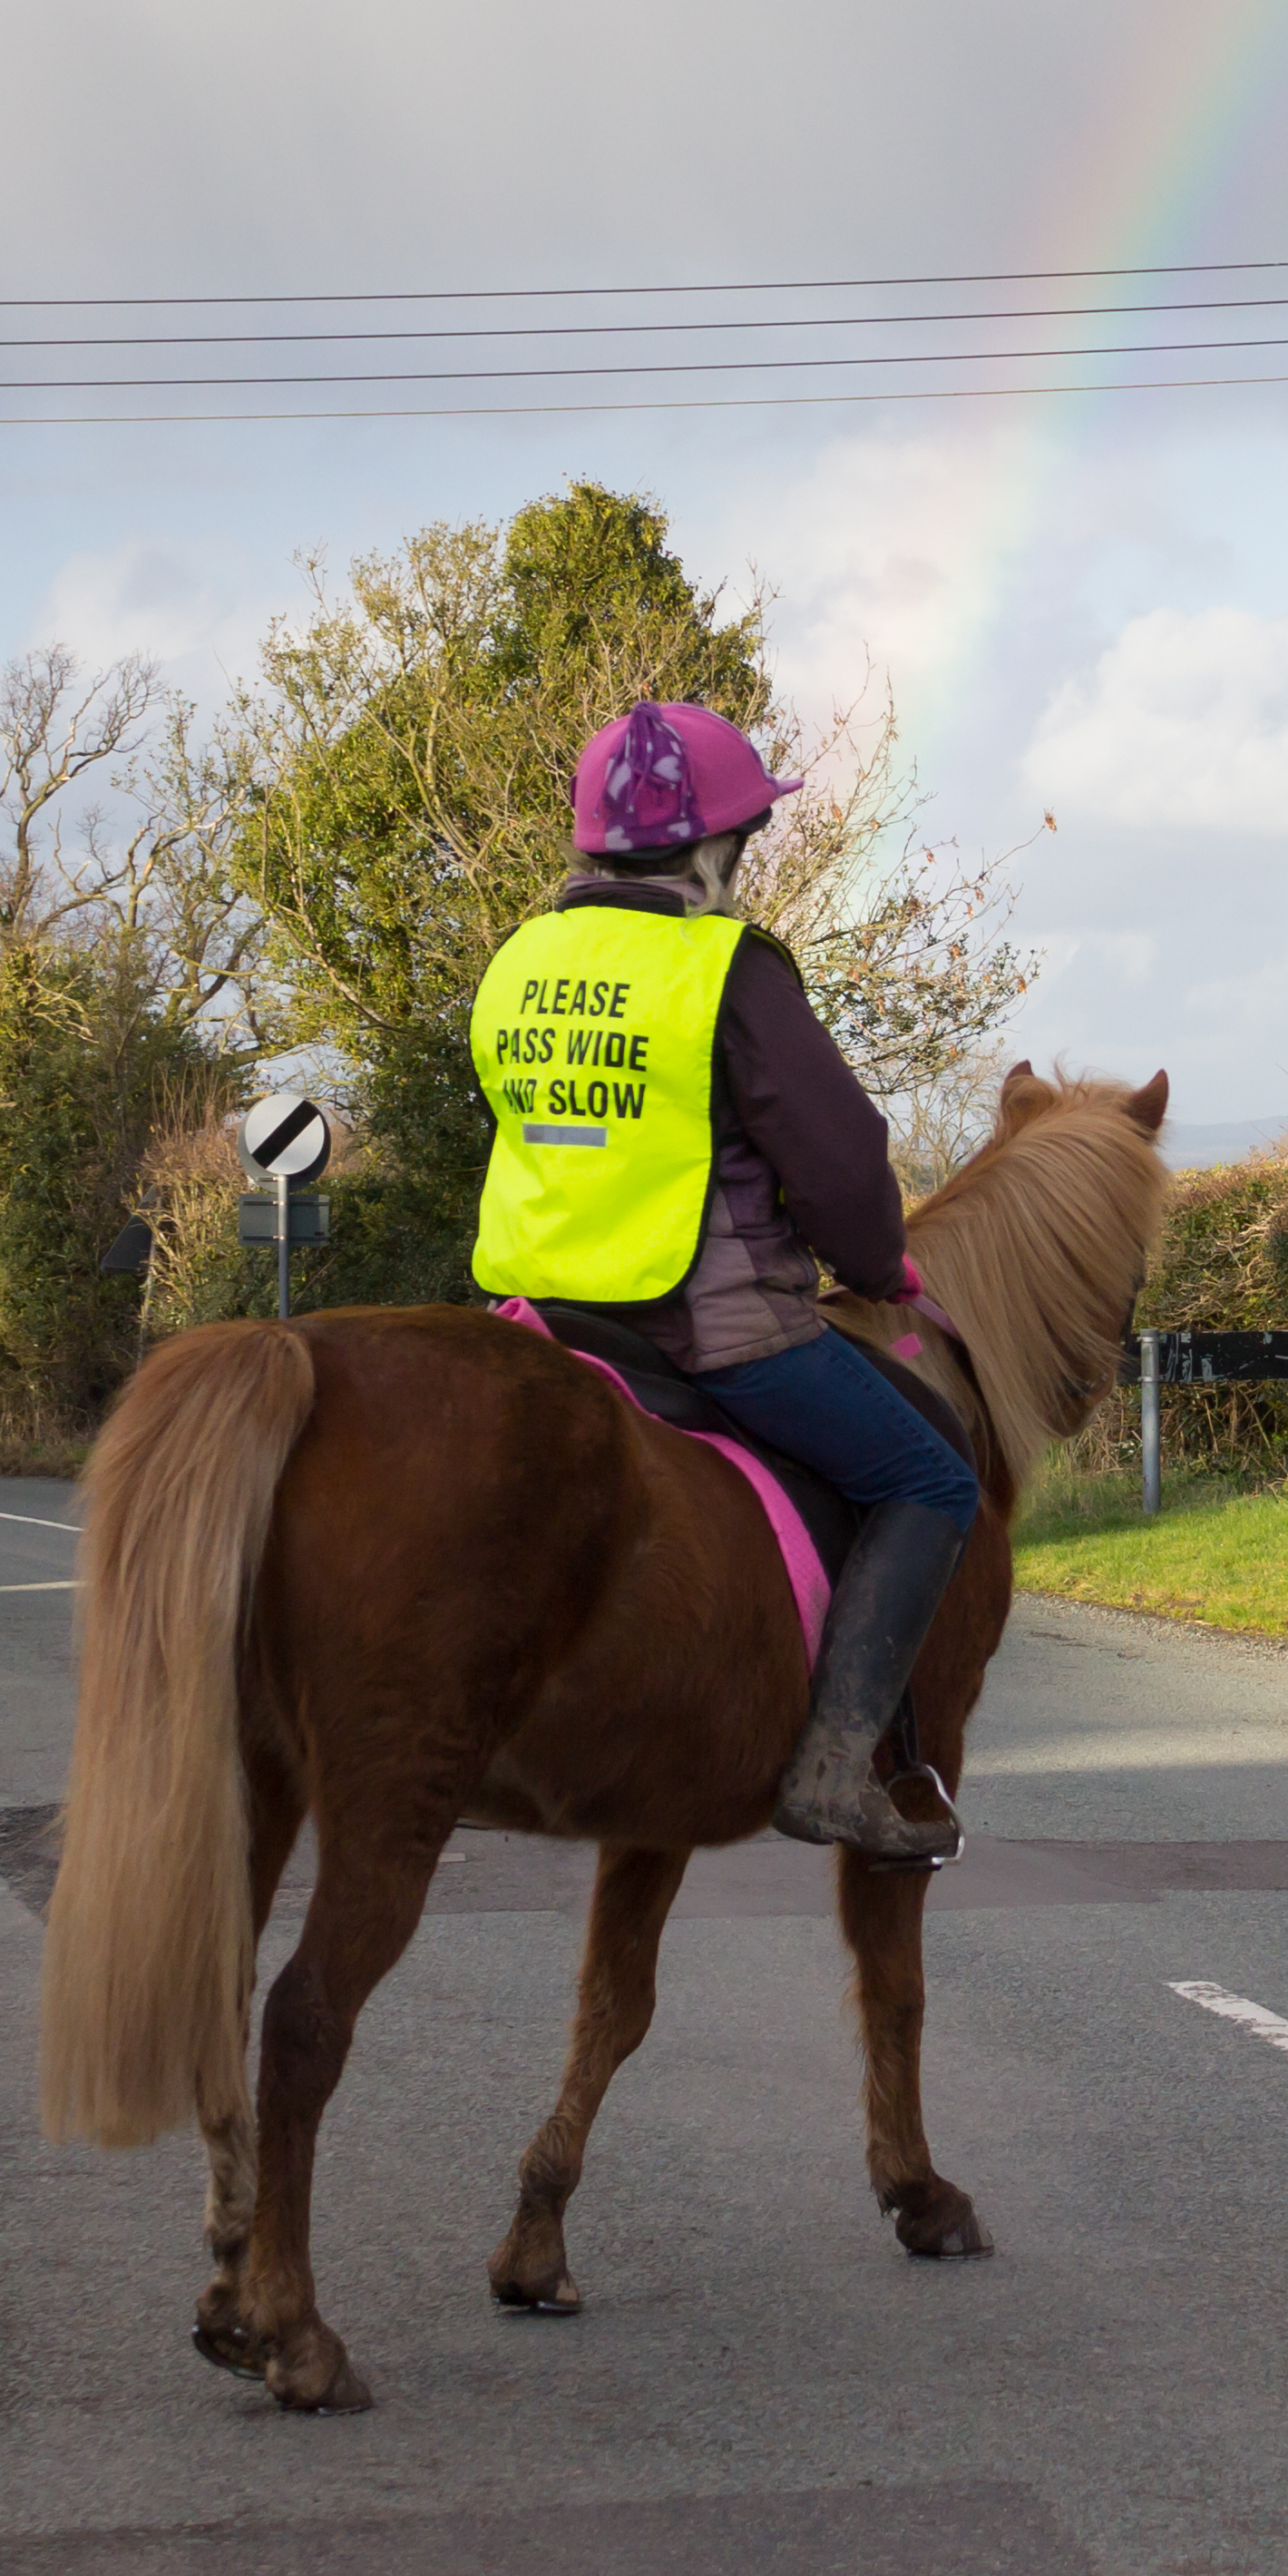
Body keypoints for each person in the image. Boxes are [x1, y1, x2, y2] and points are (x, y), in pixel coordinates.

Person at [467, 699, 977, 1864]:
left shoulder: (522, 961)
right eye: (744, 844)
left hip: (542, 1315)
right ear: (714, 850)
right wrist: (870, 1264)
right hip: (712, 1327)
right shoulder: (727, 970)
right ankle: (838, 1768)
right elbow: (841, 1159)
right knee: (931, 1478)